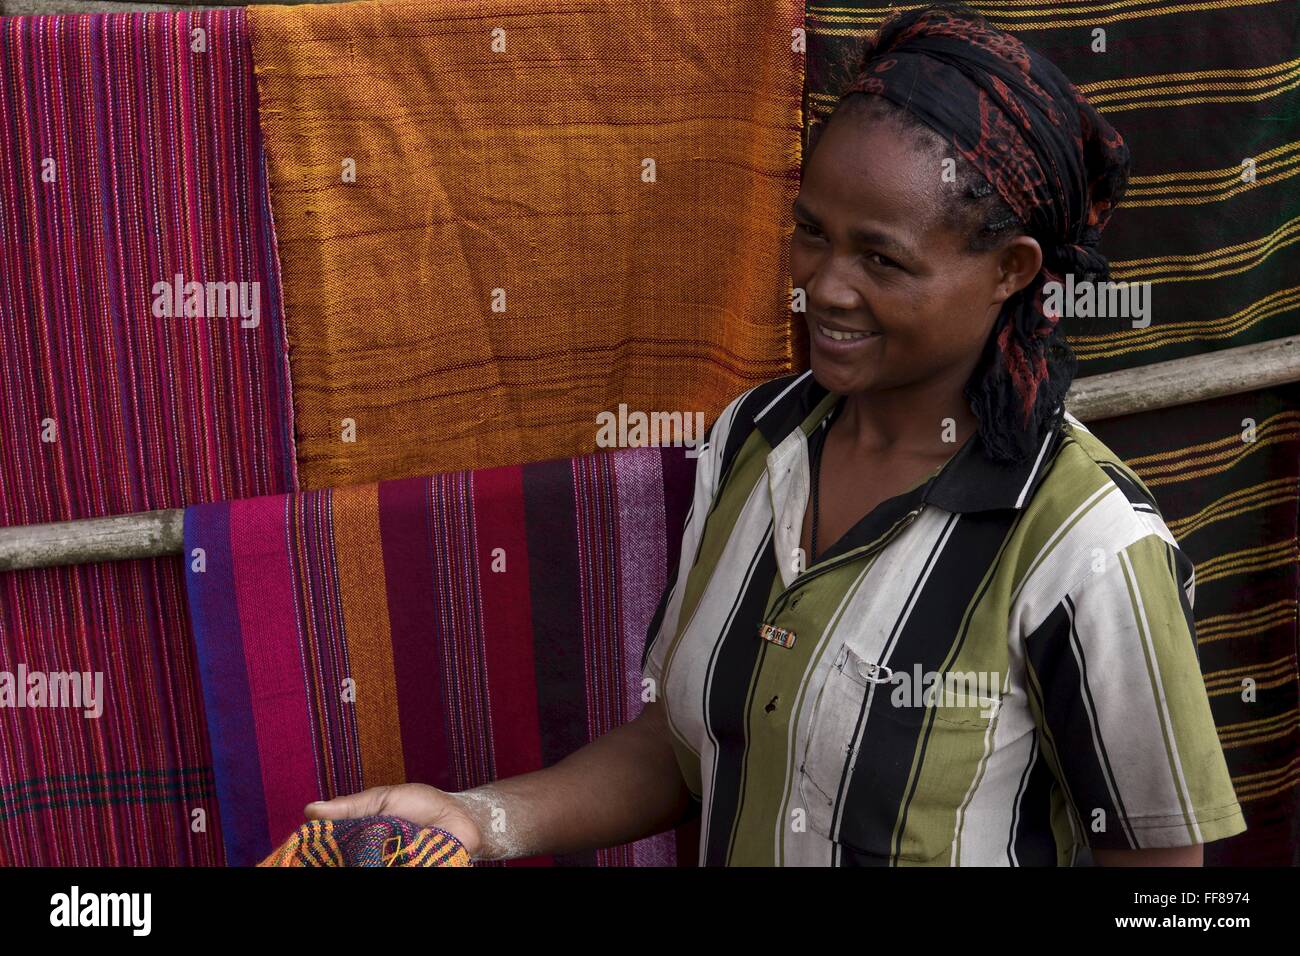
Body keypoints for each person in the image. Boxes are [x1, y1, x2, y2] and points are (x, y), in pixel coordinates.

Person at [306, 2, 1245, 866]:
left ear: (1010, 269)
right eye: (812, 234)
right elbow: (688, 750)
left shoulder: (1085, 543)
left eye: (882, 257)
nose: (826, 287)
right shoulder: (758, 440)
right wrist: (479, 819)